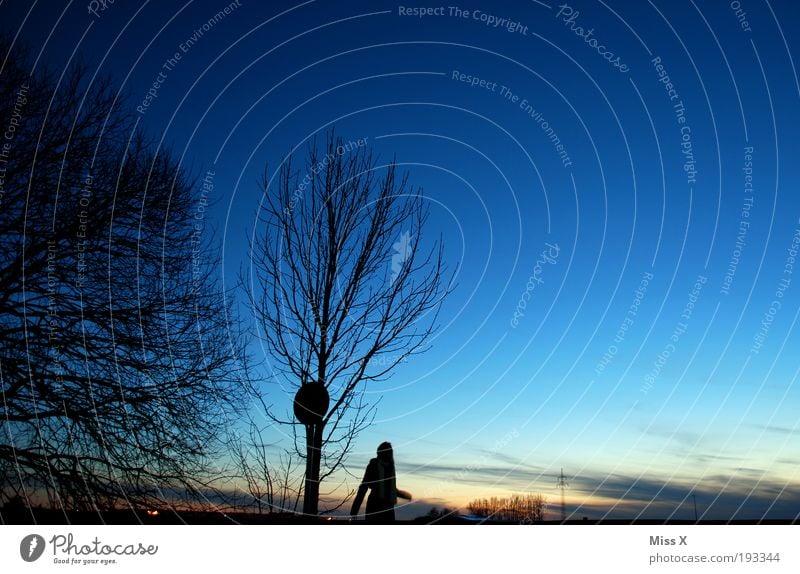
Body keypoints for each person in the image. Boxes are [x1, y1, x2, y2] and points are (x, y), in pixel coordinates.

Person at [350, 442, 411, 523]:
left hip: (388, 508)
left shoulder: (390, 468)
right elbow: (363, 487)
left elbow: (391, 488)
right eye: (388, 452)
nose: (389, 454)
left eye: (390, 452)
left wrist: (404, 495)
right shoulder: (373, 465)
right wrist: (354, 510)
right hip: (374, 506)